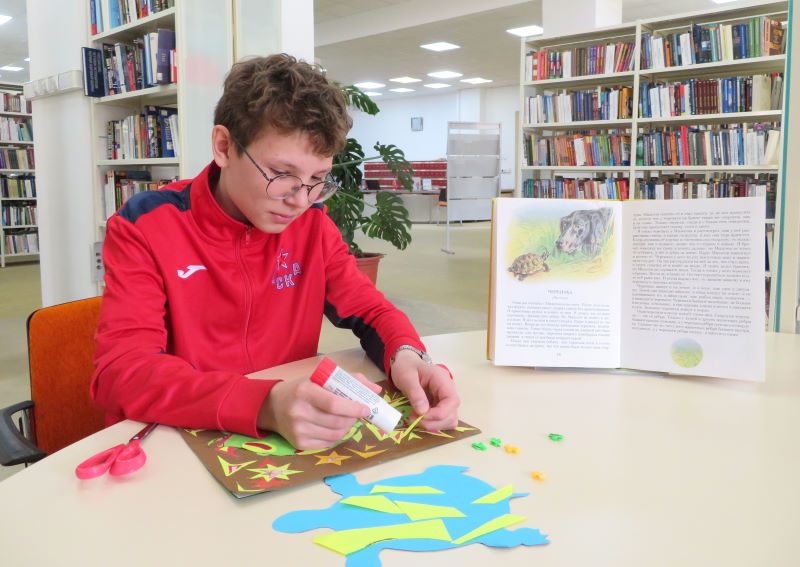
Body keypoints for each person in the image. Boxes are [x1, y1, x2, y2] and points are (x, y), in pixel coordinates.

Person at [91, 54, 460, 450]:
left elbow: (370, 311)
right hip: (174, 441)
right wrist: (264, 403)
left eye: (318, 179)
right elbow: (122, 372)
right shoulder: (145, 224)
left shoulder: (312, 226)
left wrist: (407, 353)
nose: (300, 200)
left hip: (286, 439)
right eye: (282, 174)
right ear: (224, 146)